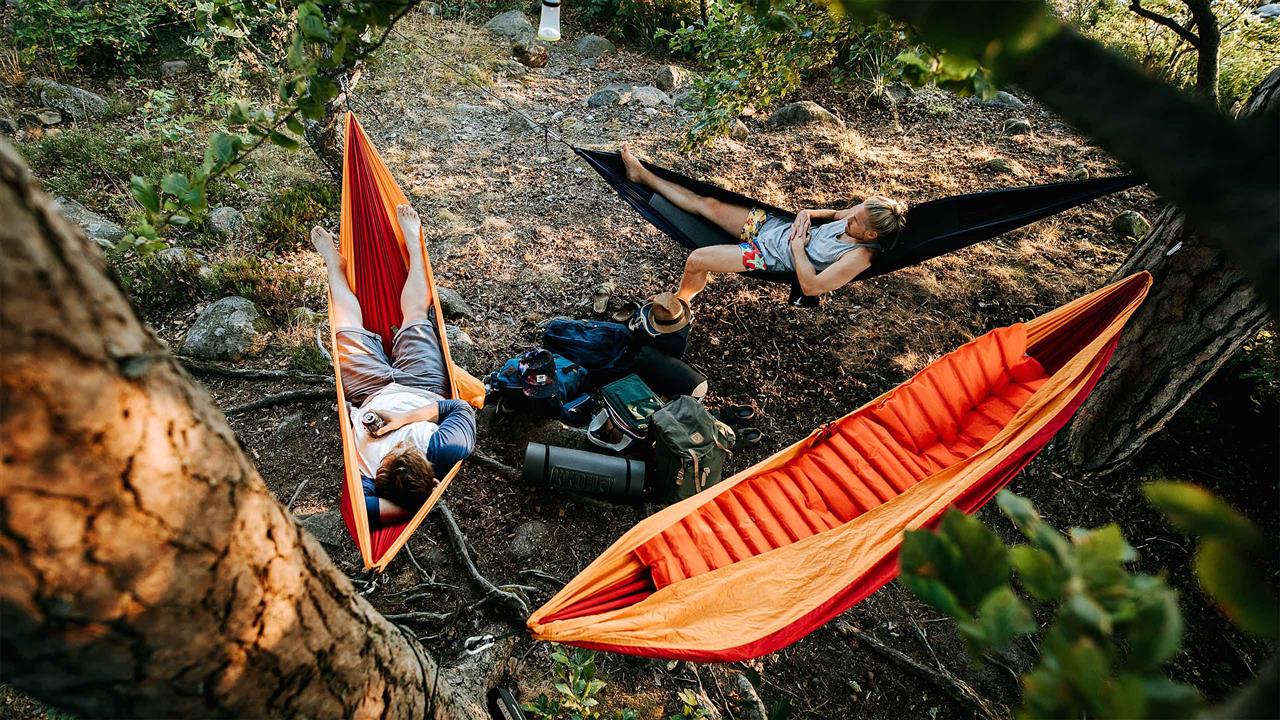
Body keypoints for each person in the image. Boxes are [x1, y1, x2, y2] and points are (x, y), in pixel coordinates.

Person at [312, 204, 476, 528]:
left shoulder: (370, 480)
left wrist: (410, 506)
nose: (392, 444)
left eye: (386, 457)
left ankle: (334, 264)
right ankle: (414, 244)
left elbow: (356, 515)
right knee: (415, 316)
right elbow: (460, 408)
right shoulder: (446, 448)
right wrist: (403, 419)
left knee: (344, 327)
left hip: (368, 393)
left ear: (378, 477)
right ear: (431, 475)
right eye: (401, 447)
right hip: (422, 386)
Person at [619, 142, 908, 311]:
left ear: (871, 234)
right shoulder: (859, 216)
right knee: (708, 203)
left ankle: (680, 303)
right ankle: (642, 176)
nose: (850, 219)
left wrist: (797, 248)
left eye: (856, 221)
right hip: (773, 226)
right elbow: (834, 213)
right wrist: (807, 212)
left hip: (766, 255)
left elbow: (811, 287)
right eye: (854, 212)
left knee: (696, 260)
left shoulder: (859, 257)